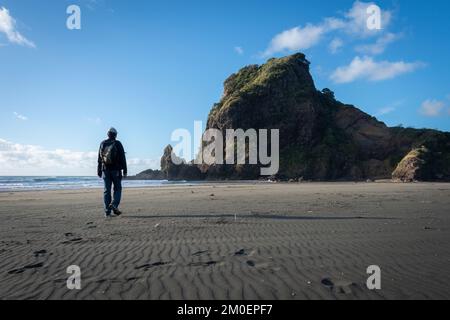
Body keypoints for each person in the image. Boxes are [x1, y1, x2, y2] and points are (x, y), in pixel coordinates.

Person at [98, 127, 127, 218]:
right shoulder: (118, 143)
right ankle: (114, 204)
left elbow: (99, 158)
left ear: (108, 134)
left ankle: (107, 212)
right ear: (115, 135)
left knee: (107, 190)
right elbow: (123, 158)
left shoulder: (102, 143)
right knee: (117, 189)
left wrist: (99, 170)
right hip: (116, 170)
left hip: (105, 170)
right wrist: (125, 170)